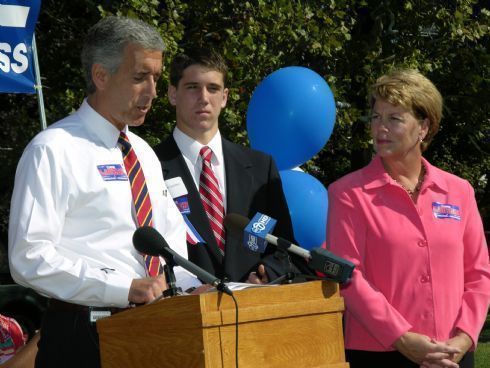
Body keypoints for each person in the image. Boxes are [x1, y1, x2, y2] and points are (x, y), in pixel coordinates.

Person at [8, 16, 199, 368]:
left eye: (156, 78)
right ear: (101, 75)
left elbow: (170, 243)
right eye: (140, 77)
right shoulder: (52, 149)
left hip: (160, 330)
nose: (153, 92)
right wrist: (123, 288)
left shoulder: (143, 153)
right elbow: (28, 257)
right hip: (82, 335)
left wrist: (186, 286)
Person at [326, 69, 490, 368]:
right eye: (376, 117)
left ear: (424, 127)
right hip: (381, 353)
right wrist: (401, 337)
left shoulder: (459, 191)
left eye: (394, 118)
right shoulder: (347, 194)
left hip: (453, 354)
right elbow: (348, 278)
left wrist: (464, 338)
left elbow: (478, 275)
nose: (380, 128)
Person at [153, 49, 308, 284]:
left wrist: (268, 272)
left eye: (213, 88)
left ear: (225, 97)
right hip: (183, 312)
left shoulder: (260, 167)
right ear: (173, 94)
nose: (204, 98)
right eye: (193, 87)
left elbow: (286, 249)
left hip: (253, 311)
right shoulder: (150, 165)